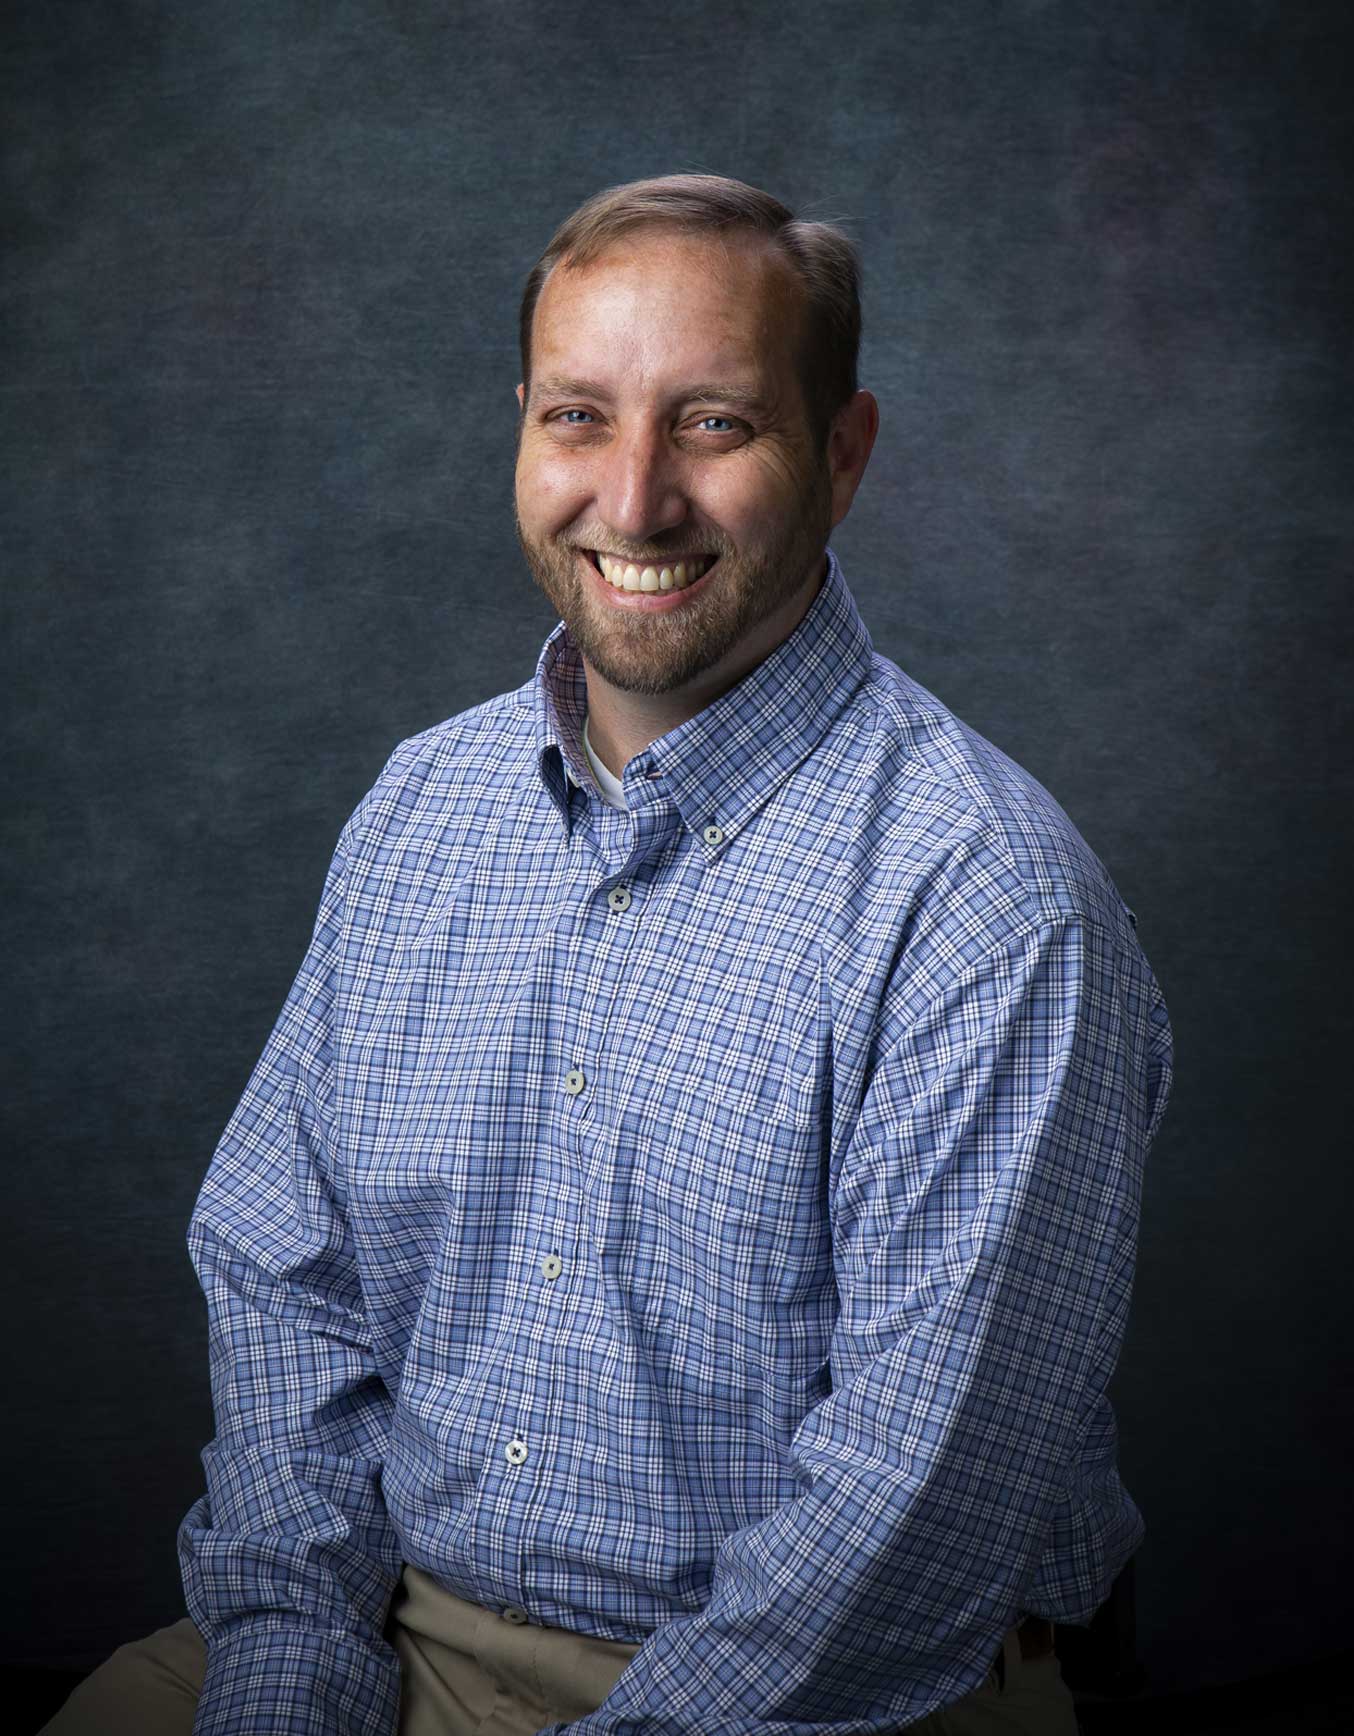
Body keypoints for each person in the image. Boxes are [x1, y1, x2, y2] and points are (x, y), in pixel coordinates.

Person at [45, 173, 1173, 1736]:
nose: (631, 500)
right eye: (579, 417)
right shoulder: (421, 814)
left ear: (840, 458)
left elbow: (909, 1526)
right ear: (524, 426)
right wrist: (295, 1676)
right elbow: (284, 1284)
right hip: (397, 1626)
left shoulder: (982, 902)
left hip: (842, 1695)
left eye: (712, 424)